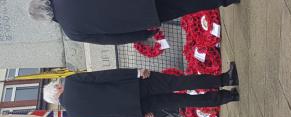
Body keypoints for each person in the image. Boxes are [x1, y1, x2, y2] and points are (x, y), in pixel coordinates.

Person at [43, 62, 239, 117]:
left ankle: (227, 98)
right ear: (57, 89)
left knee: (182, 100)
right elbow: (106, 76)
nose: (59, 83)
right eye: (57, 84)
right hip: (134, 86)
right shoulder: (74, 81)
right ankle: (225, 80)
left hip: (137, 109)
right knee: (179, 82)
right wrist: (134, 73)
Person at [28, 0, 240, 45]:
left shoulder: (72, 32)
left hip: (141, 17)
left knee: (183, 6)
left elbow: (110, 40)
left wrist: (141, 34)